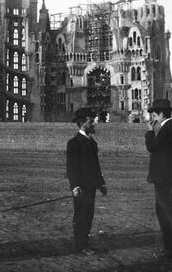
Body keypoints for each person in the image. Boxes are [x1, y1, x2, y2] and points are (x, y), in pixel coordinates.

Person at [66, 107, 107, 255]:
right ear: (83, 123)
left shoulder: (92, 142)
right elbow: (71, 167)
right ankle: (80, 246)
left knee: (88, 215)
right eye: (91, 121)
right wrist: (75, 186)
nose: (94, 124)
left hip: (91, 187)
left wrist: (101, 183)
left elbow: (96, 166)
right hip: (81, 188)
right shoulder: (74, 143)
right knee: (81, 216)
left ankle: (85, 244)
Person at [145, 99, 172, 258]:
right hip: (164, 177)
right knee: (163, 210)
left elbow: (152, 147)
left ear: (160, 114)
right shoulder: (170, 128)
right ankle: (170, 246)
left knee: (165, 211)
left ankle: (171, 247)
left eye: (154, 115)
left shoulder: (168, 128)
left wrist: (150, 131)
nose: (153, 118)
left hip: (163, 177)